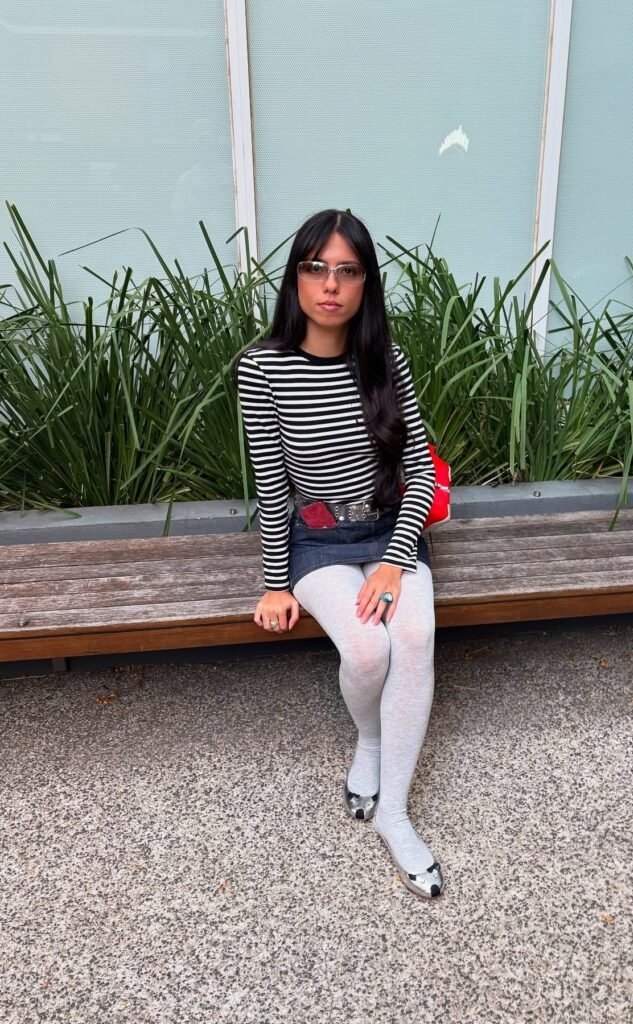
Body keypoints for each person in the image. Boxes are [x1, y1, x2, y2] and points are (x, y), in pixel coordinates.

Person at [236, 209, 443, 899]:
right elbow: (271, 486)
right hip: (317, 538)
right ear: (295, 277)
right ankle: (371, 743)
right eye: (315, 267)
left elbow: (420, 469)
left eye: (346, 270)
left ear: (365, 284)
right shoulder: (261, 369)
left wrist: (394, 558)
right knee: (365, 651)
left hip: (390, 531)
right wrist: (273, 583)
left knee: (412, 632)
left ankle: (395, 813)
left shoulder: (387, 362)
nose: (330, 284)